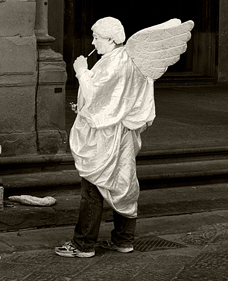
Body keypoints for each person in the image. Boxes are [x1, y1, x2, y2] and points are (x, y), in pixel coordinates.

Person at [55, 17, 154, 258]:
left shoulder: (112, 64)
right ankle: (123, 240)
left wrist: (81, 72)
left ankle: (83, 244)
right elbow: (118, 100)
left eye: (97, 37)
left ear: (110, 39)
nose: (93, 42)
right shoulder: (131, 60)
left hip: (106, 136)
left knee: (93, 185)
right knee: (124, 183)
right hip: (124, 132)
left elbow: (98, 96)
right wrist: (84, 107)